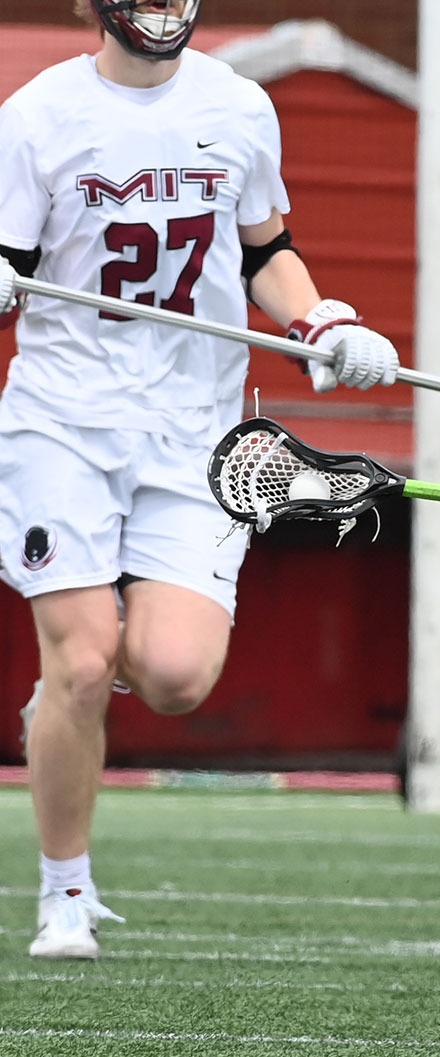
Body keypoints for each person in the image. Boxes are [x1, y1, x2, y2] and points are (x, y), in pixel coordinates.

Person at [0, 0, 399, 960]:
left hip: (194, 429)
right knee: (84, 660)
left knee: (175, 675)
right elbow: (12, 265)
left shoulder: (238, 105)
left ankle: (64, 705)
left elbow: (267, 252)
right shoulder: (36, 117)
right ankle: (65, 891)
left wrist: (323, 323)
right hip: (65, 420)